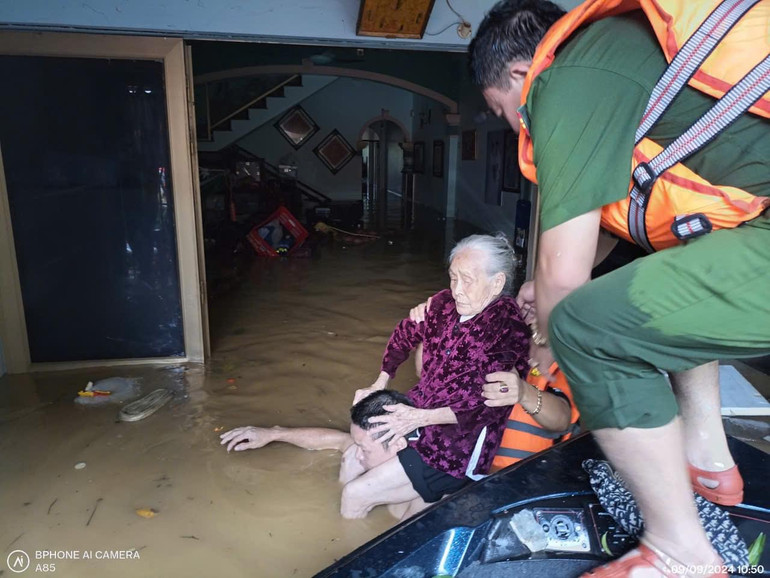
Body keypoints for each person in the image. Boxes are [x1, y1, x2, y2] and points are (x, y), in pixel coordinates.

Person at [468, 1, 769, 577]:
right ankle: (706, 453)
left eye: (497, 108)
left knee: (586, 325)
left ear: (514, 76)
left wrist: (548, 342)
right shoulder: (620, 60)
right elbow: (611, 221)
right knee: (655, 274)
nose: (509, 122)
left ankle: (680, 553)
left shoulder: (568, 78)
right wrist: (542, 282)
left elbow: (566, 275)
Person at [346, 233, 541, 518]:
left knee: (356, 494)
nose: (457, 289)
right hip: (419, 415)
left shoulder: (507, 328)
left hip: (454, 447)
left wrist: (419, 418)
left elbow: (483, 405)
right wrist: (381, 379)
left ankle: (350, 554)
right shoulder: (443, 304)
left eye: (467, 280)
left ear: (497, 283)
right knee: (353, 458)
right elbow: (406, 332)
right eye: (453, 278)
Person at [220, 389, 426, 519]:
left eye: (366, 449)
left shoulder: (422, 496)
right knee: (352, 457)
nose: (359, 455)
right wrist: (273, 434)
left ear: (398, 444)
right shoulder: (374, 447)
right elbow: (337, 440)